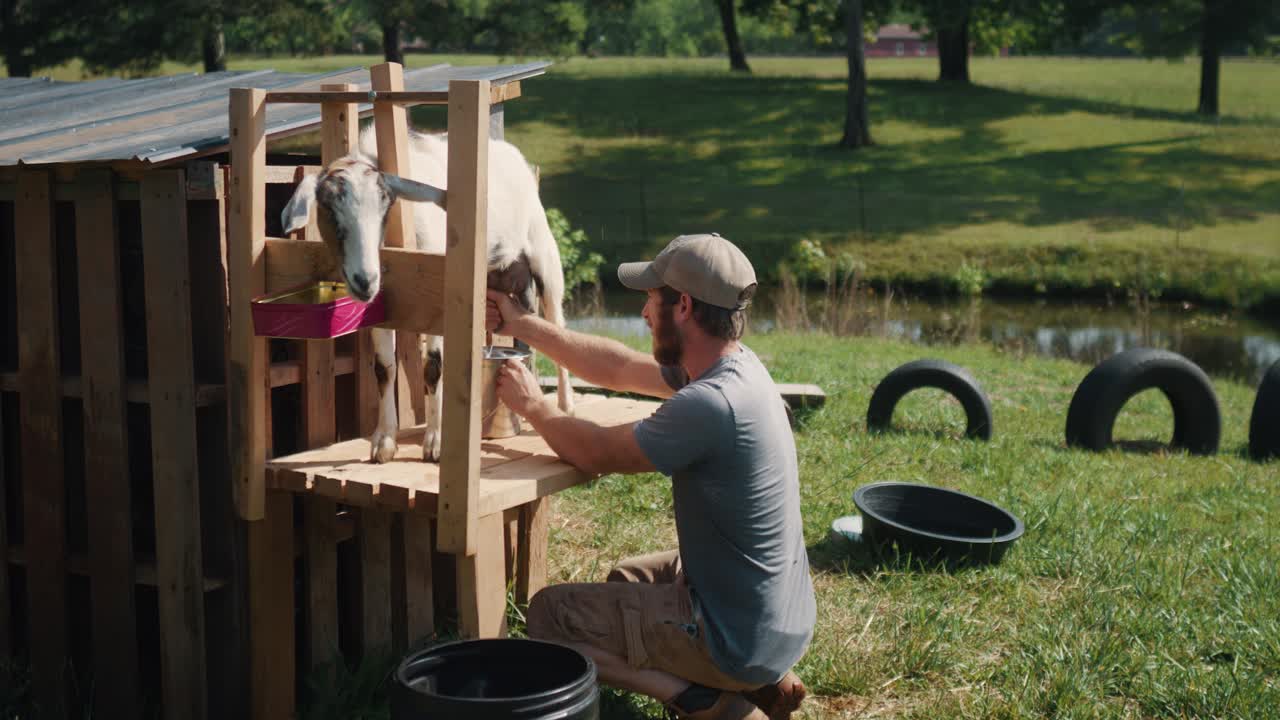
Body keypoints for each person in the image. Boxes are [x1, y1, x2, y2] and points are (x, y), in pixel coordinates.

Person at [486, 233, 815, 720]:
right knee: (625, 578)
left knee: (549, 616)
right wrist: (524, 325)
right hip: (776, 618)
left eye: (650, 299)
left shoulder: (709, 404)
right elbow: (616, 366)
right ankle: (768, 687)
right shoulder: (734, 368)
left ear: (682, 306)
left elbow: (595, 452)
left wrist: (533, 405)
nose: (643, 313)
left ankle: (702, 698)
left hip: (738, 637)